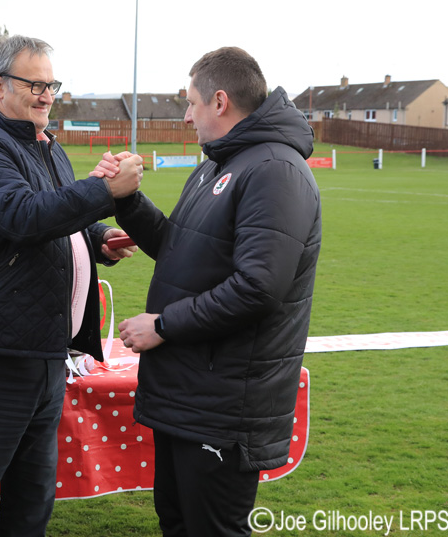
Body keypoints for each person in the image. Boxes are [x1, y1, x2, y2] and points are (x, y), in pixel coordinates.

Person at [0, 34, 142, 537]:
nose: (46, 94)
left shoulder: (44, 145)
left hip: (41, 356)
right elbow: (24, 216)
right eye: (35, 84)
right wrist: (106, 191)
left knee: (32, 505)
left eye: (52, 84)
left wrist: (100, 236)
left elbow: (59, 212)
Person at [109, 46, 322, 536]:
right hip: (188, 394)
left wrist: (162, 326)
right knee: (178, 522)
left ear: (220, 101)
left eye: (191, 103)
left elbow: (258, 287)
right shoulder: (217, 165)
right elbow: (180, 249)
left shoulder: (274, 170)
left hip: (224, 405)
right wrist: (128, 202)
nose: (186, 116)